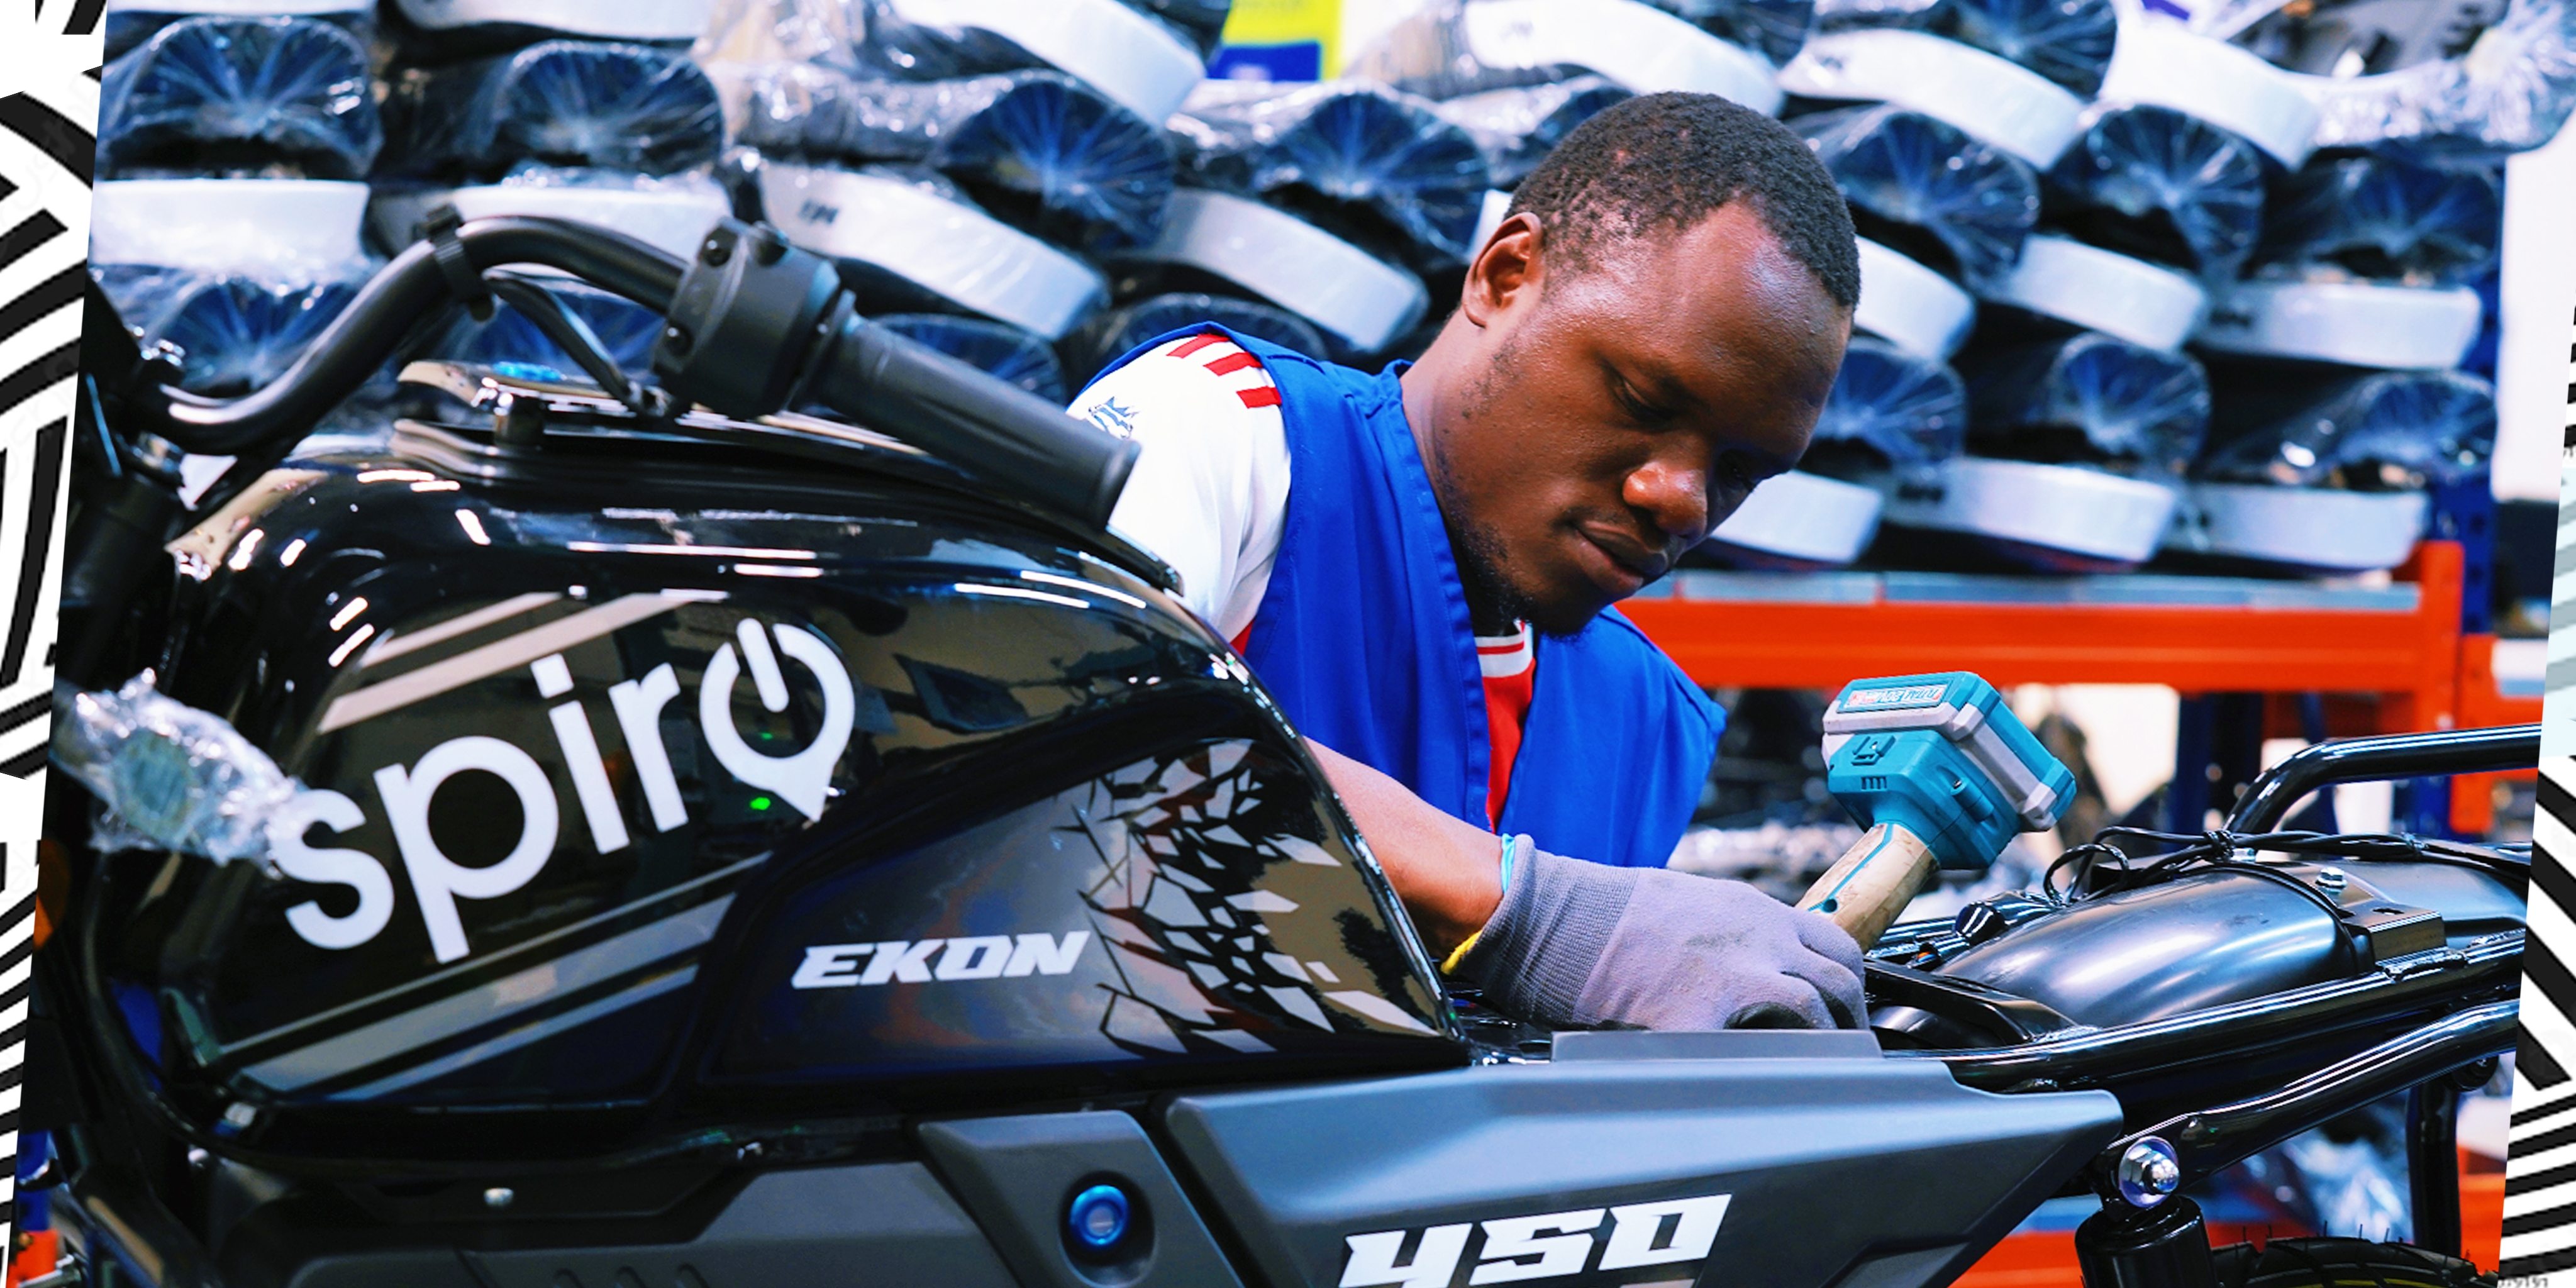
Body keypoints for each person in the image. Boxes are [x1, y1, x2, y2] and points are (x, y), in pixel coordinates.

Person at [1070, 92, 1867, 1031]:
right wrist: (1527, 911)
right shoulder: (1227, 429)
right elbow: (1057, 703)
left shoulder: (1643, 718)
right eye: (1644, 399)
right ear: (1505, 274)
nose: (1683, 500)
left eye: (1740, 471)